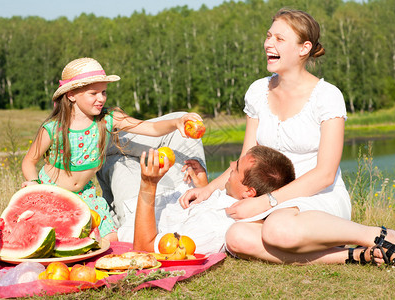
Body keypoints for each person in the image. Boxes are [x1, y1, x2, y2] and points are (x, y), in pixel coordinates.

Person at [179, 8, 395, 269]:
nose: (268, 43)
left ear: (304, 48)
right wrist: (208, 189)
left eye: (279, 39)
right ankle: (353, 255)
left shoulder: (327, 96)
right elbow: (245, 161)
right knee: (236, 238)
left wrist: (265, 201)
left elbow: (325, 174)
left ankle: (378, 235)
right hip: (271, 204)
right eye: (269, 36)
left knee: (277, 230)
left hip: (317, 196)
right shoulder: (258, 91)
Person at [21, 57, 202, 242]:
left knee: (112, 239)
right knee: (55, 240)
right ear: (71, 95)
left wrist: (176, 122)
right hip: (51, 194)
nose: (101, 98)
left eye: (104, 92)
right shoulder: (53, 128)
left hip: (85, 194)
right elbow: (29, 161)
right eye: (93, 93)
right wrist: (34, 183)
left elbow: (151, 128)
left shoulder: (108, 119)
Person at [132, 145, 296, 255]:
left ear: (248, 192)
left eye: (236, 167)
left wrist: (148, 185)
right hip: (158, 199)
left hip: (128, 219)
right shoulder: (227, 197)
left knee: (117, 157)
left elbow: (144, 248)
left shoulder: (214, 229)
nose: (231, 164)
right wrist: (204, 186)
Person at [97, 111, 208, 243]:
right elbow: (154, 129)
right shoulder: (221, 212)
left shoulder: (135, 231)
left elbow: (139, 238)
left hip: (138, 212)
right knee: (182, 124)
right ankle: (95, 140)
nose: (101, 98)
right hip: (182, 195)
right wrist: (205, 187)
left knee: (116, 159)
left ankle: (94, 141)